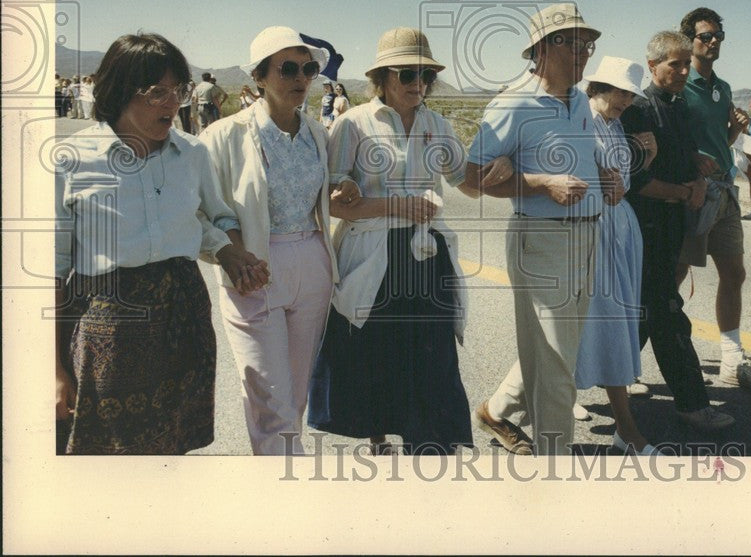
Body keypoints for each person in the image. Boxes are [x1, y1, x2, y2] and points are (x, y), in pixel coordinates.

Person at [54, 33, 267, 454]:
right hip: (108, 327)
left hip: (182, 317)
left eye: (179, 91)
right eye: (157, 92)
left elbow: (206, 218)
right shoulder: (73, 159)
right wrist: (54, 370)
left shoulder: (191, 153)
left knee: (173, 447)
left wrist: (231, 253)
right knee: (103, 459)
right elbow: (51, 269)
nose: (173, 104)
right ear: (116, 92)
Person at [308, 27, 510, 455]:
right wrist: (390, 203)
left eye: (425, 75)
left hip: (423, 255)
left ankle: (429, 444)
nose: (418, 83)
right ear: (382, 78)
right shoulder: (353, 124)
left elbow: (466, 182)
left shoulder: (437, 125)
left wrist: (503, 168)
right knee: (374, 352)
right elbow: (335, 203)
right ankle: (379, 435)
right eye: (407, 74)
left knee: (430, 356)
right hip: (373, 254)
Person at [467, 2, 621, 456]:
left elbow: (569, 155)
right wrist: (539, 183)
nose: (585, 53)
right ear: (544, 47)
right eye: (574, 43)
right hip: (543, 239)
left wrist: (602, 176)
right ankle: (554, 471)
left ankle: (496, 411)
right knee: (556, 366)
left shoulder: (577, 100)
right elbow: (472, 180)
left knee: (560, 350)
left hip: (585, 235)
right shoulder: (513, 103)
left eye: (588, 44)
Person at [200, 26, 353, 455]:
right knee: (269, 394)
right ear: (259, 77)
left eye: (307, 69)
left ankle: (284, 475)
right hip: (253, 267)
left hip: (312, 262)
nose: (300, 78)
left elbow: (324, 195)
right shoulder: (223, 136)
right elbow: (202, 210)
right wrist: (231, 253)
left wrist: (344, 189)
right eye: (287, 68)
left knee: (296, 392)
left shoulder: (317, 134)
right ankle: (286, 491)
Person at [619, 31, 737, 432]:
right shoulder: (636, 110)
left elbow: (684, 154)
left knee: (644, 312)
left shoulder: (679, 107)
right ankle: (691, 403)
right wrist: (683, 191)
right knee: (667, 313)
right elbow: (635, 182)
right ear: (653, 66)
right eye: (676, 64)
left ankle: (611, 378)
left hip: (671, 227)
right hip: (644, 227)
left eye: (688, 63)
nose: (685, 71)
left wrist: (698, 178)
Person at [675, 7, 751, 392]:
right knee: (674, 278)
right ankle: (634, 362)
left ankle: (732, 364)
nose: (713, 41)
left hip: (724, 192)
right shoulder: (679, 87)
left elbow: (721, 143)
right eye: (705, 36)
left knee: (734, 274)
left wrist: (733, 132)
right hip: (693, 194)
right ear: (689, 41)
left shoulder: (723, 88)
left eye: (718, 36)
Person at [573, 56, 659, 454]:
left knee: (611, 316)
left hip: (620, 227)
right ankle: (626, 428)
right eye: (621, 92)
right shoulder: (582, 118)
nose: (626, 100)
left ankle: (513, 404)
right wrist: (596, 179)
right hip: (595, 228)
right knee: (602, 318)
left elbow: (622, 177)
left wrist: (642, 161)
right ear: (600, 88)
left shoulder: (615, 124)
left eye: (630, 94)